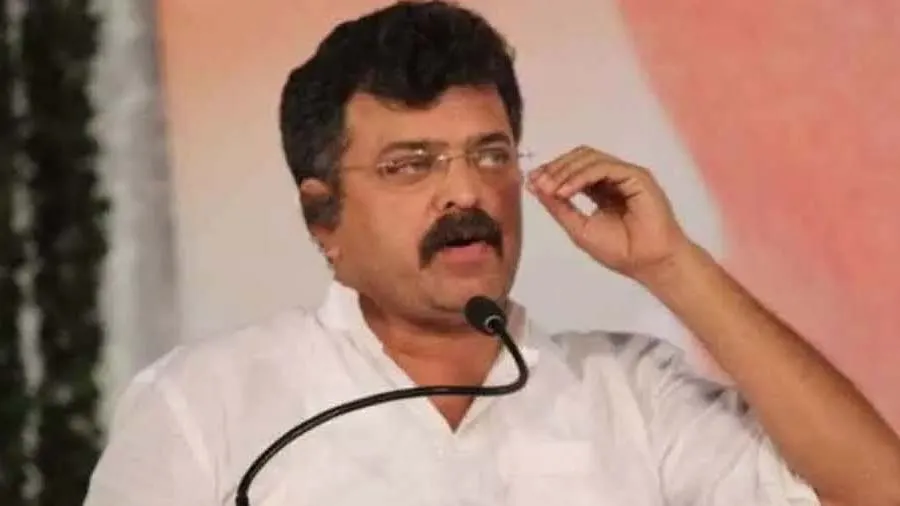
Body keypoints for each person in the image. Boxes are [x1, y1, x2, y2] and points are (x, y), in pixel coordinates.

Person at [84, 2, 900, 505]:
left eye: (490, 154)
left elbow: (875, 491)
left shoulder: (628, 392)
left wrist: (671, 265)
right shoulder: (207, 403)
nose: (465, 193)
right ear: (322, 216)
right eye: (412, 166)